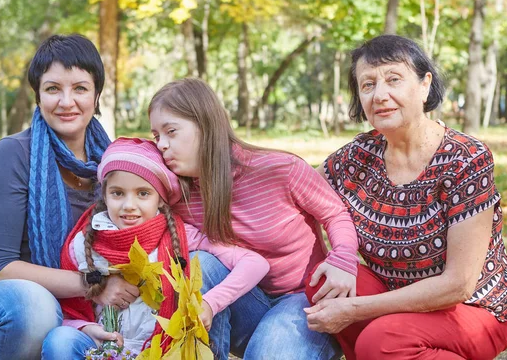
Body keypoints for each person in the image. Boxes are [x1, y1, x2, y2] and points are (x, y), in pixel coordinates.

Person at [0, 34, 140, 359]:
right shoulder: (14, 153)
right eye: (53, 88)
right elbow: (1, 266)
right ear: (38, 96)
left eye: (80, 88)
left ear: (97, 95)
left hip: (73, 318)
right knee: (35, 305)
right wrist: (96, 284)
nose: (66, 101)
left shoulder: (114, 167)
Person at [304, 35, 507, 360]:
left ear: (424, 85)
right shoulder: (357, 157)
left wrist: (355, 309)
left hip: (471, 309)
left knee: (380, 340)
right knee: (323, 281)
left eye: (393, 80)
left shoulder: (465, 159)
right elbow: (297, 189)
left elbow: (458, 285)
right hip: (395, 300)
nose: (380, 95)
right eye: (368, 85)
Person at [148, 78, 360, 360]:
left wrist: (343, 258)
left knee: (270, 353)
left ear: (206, 125)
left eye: (171, 131)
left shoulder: (279, 169)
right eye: (156, 137)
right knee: (202, 264)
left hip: (301, 299)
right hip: (241, 300)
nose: (162, 145)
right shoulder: (178, 193)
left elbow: (335, 214)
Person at [42, 137, 270, 359]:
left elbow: (255, 263)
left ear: (160, 199)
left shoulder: (179, 237)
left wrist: (211, 303)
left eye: (143, 193)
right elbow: (70, 310)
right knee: (60, 339)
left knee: (204, 261)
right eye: (118, 193)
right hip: (102, 349)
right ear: (104, 194)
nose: (129, 206)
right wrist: (85, 328)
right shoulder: (84, 243)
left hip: (161, 351)